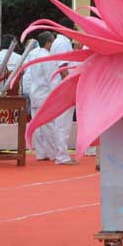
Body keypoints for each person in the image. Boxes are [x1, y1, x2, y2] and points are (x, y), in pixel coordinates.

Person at [27, 31, 75, 165]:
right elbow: (51, 77)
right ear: (48, 42)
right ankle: (54, 153)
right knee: (50, 125)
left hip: (34, 91)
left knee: (37, 124)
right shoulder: (47, 57)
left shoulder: (33, 54)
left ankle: (41, 153)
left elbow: (29, 74)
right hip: (45, 93)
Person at [50, 24, 75, 152]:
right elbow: (63, 68)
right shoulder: (62, 43)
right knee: (63, 123)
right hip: (64, 86)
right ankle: (62, 154)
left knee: (61, 122)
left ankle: (60, 153)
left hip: (61, 85)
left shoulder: (59, 42)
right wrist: (69, 85)